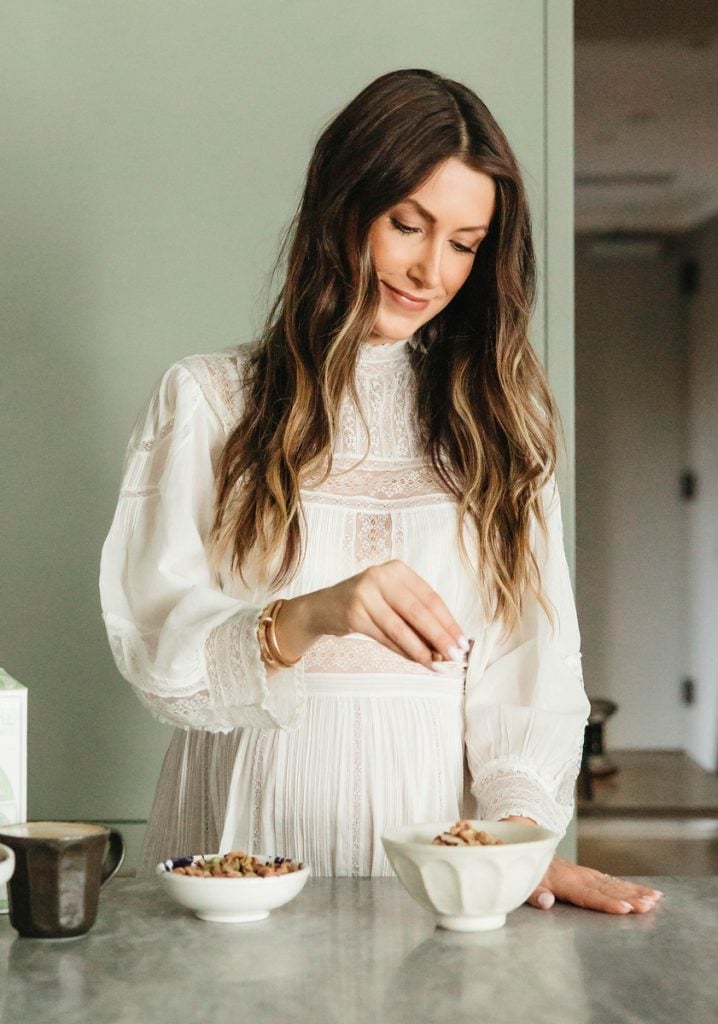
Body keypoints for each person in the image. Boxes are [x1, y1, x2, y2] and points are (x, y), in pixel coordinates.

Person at [100, 69, 661, 914]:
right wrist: (309, 613)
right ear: (343, 207)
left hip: (434, 866)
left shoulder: (503, 431)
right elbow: (163, 669)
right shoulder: (211, 401)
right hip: (242, 852)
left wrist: (511, 841)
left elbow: (528, 678)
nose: (432, 270)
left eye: (466, 243)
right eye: (409, 224)